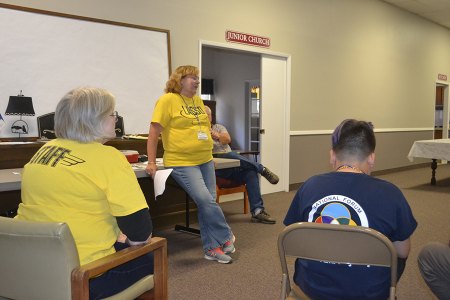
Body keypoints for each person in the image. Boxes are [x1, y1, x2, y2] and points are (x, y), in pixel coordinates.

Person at [16, 87, 154, 300]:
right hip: (83, 276)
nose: (115, 119)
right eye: (112, 114)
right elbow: (140, 234)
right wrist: (127, 239)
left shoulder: (41, 152)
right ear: (94, 119)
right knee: (151, 254)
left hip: (30, 267)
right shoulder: (108, 158)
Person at [283, 119, 417, 300]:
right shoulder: (390, 193)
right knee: (396, 254)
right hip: (368, 294)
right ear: (372, 158)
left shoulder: (309, 186)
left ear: (332, 155)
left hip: (309, 292)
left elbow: (293, 240)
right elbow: (403, 251)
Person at [146, 65, 235, 264]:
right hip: (182, 161)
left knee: (208, 204)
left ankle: (212, 248)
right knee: (205, 200)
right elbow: (153, 134)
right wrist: (151, 161)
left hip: (204, 159)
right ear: (179, 79)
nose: (196, 81)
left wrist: (208, 151)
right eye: (192, 77)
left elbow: (203, 127)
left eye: (197, 78)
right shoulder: (167, 100)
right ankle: (226, 235)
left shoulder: (196, 100)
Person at [204, 105, 278, 224]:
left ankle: (258, 211)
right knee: (231, 155)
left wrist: (215, 134)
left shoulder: (218, 127)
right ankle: (262, 169)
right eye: (203, 115)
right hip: (216, 166)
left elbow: (227, 139)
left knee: (250, 172)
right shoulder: (197, 131)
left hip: (233, 164)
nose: (205, 117)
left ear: (211, 117)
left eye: (207, 115)